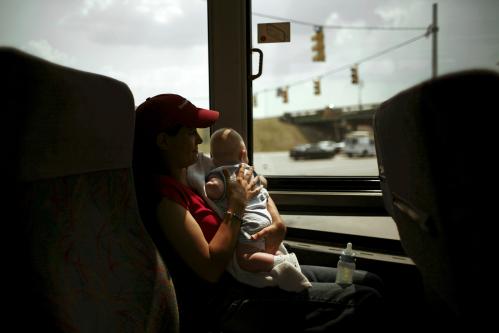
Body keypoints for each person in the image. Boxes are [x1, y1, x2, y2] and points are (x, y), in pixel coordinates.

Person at [132, 93, 385, 332]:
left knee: (371, 280)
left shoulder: (197, 167)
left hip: (254, 275)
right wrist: (236, 206)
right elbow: (209, 267)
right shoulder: (165, 198)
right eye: (190, 133)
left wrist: (277, 222)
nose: (199, 140)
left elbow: (252, 182)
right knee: (365, 300)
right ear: (163, 141)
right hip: (232, 299)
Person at [201, 127, 311, 291]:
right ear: (242, 154)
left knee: (246, 257)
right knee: (264, 251)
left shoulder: (220, 173)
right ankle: (281, 260)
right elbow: (263, 184)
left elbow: (214, 189)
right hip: (264, 219)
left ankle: (279, 262)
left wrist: (208, 186)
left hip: (248, 222)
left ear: (213, 158)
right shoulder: (249, 171)